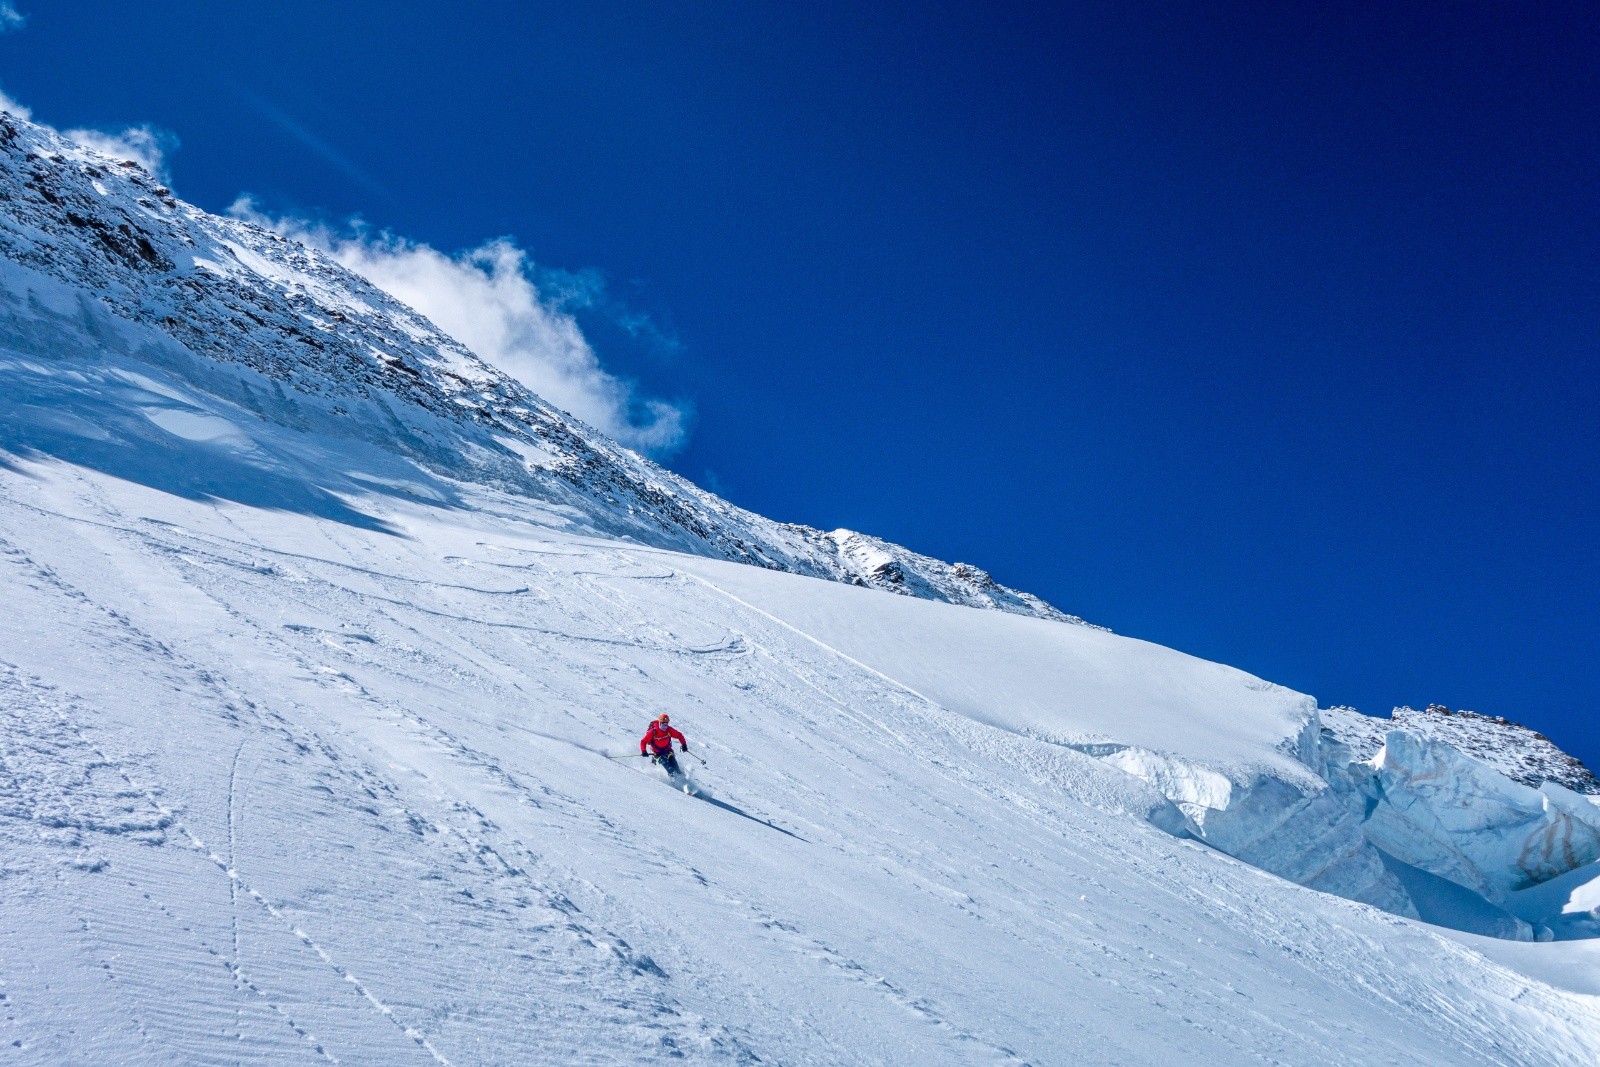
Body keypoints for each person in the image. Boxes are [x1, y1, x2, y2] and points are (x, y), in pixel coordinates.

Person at [640, 713, 688, 778]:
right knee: (670, 769)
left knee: (676, 768)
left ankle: (683, 780)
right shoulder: (653, 732)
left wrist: (684, 745)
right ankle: (676, 782)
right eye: (663, 724)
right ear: (659, 723)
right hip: (657, 753)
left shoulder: (668, 730)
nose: (664, 727)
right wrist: (643, 751)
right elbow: (643, 741)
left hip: (668, 751)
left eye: (666, 724)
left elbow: (679, 735)